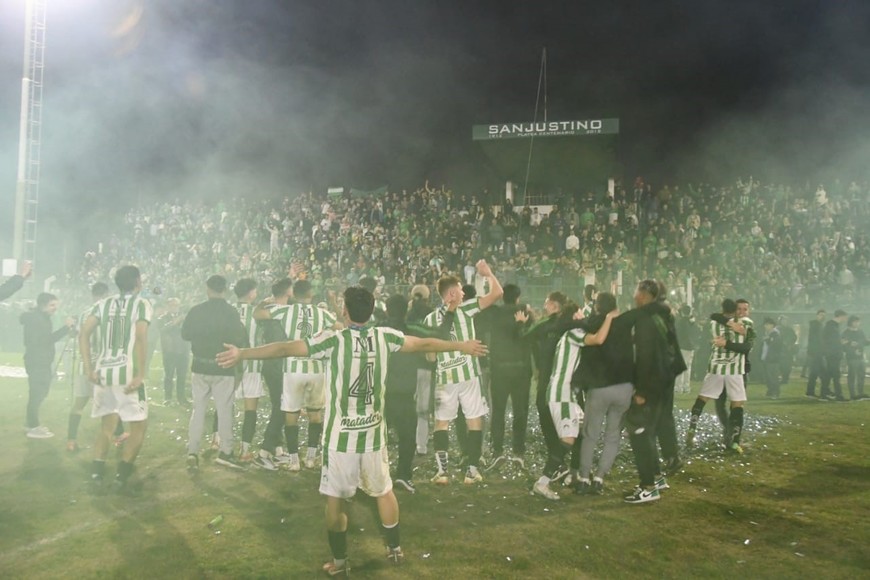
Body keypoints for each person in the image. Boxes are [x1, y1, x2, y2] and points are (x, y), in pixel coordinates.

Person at [216, 286, 488, 575]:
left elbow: (284, 348)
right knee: (383, 491)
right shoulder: (384, 336)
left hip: (340, 439)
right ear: (371, 310)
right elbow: (422, 344)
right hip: (372, 434)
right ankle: (394, 549)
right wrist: (461, 346)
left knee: (336, 498)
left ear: (345, 310)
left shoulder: (333, 340)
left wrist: (242, 353)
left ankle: (341, 562)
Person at [424, 260, 503, 486]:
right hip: (468, 377)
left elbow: (429, 355)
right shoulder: (466, 308)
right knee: (473, 421)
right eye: (459, 288)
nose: (463, 291)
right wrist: (488, 274)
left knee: (441, 423)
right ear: (452, 293)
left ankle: (442, 472)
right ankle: (471, 471)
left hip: (444, 379)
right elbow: (497, 293)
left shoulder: (430, 318)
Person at [531, 303, 617, 500]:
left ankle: (572, 473)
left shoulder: (570, 335)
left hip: (565, 394)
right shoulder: (573, 333)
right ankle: (543, 482)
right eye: (579, 312)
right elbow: (598, 339)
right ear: (573, 316)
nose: (583, 314)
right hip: (560, 394)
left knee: (581, 432)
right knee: (567, 440)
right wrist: (609, 318)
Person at [80, 265, 152, 494]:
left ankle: (96, 473)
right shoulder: (142, 304)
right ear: (138, 282)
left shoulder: (103, 304)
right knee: (138, 426)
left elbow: (84, 333)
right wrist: (140, 374)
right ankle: (121, 476)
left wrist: (89, 368)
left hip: (103, 374)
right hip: (127, 375)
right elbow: (140, 336)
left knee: (107, 426)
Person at [255, 278, 339, 471]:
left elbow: (258, 315)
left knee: (291, 413)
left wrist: (261, 303)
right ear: (311, 294)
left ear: (295, 294)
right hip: (316, 368)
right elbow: (341, 326)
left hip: (293, 368)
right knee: (315, 414)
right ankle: (311, 458)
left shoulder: (286, 310)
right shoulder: (322, 312)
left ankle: (293, 460)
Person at [624, 280, 684, 505]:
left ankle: (648, 486)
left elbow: (646, 357)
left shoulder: (645, 320)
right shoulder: (663, 314)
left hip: (652, 383)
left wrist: (642, 390)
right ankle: (658, 477)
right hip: (665, 380)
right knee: (653, 426)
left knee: (640, 430)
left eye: (636, 290)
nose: (633, 295)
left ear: (643, 294)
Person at [182, 275, 249, 470]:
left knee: (198, 410)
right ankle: (226, 452)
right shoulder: (231, 312)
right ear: (225, 289)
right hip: (223, 366)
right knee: (225, 410)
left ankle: (192, 452)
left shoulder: (197, 310)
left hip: (200, 366)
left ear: (207, 289)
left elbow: (185, 334)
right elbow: (238, 337)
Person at [574, 292, 635, 495]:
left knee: (590, 434)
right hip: (624, 386)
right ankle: (599, 477)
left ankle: (583, 477)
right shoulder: (625, 325)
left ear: (598, 306)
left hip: (599, 386)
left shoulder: (594, 322)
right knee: (612, 436)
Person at [477, 283, 532, 468]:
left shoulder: (495, 313)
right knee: (520, 412)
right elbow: (530, 336)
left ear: (503, 297)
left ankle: (498, 451)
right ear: (518, 296)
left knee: (498, 411)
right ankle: (518, 452)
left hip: (499, 369)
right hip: (521, 370)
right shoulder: (525, 311)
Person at [686, 299, 751, 455]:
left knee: (703, 399)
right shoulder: (746, 323)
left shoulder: (713, 323)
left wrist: (722, 341)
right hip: (734, 370)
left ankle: (692, 427)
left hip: (716, 368)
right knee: (737, 404)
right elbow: (746, 345)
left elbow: (712, 317)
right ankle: (734, 441)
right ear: (735, 310)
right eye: (739, 309)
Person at [21, 292, 76, 438]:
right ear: (43, 305)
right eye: (52, 305)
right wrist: (66, 328)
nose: (55, 309)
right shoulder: (37, 319)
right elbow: (46, 340)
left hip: (40, 361)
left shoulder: (41, 318)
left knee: (40, 392)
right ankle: (32, 426)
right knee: (37, 393)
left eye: (55, 305)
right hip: (37, 361)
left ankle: (31, 423)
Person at [232, 278, 274, 468]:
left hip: (230, 363)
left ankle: (218, 442)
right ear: (250, 293)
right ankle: (245, 450)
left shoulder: (229, 309)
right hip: (252, 365)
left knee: (226, 403)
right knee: (250, 409)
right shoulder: (258, 313)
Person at [66, 282, 109, 451]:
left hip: (84, 366)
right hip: (101, 366)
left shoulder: (84, 314)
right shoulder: (107, 314)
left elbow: (75, 334)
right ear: (106, 295)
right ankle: (116, 436)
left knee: (79, 403)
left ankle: (71, 440)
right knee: (109, 403)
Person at [406, 285, 434, 456]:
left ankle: (410, 438)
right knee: (424, 407)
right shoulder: (431, 314)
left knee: (410, 404)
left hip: (409, 364)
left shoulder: (407, 315)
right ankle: (421, 444)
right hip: (426, 364)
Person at [159, 297, 190, 406]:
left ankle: (181, 398)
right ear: (167, 306)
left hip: (183, 350)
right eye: (172, 305)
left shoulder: (185, 318)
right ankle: (168, 398)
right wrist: (176, 321)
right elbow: (163, 329)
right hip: (170, 351)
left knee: (182, 376)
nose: (174, 307)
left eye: (176, 305)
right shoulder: (163, 318)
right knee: (169, 375)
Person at [820, 309, 848, 402]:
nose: (845, 318)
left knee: (829, 374)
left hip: (833, 354)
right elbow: (830, 341)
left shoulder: (833, 326)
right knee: (836, 375)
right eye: (845, 316)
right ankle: (838, 395)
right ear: (840, 316)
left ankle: (824, 394)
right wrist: (841, 343)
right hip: (832, 354)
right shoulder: (831, 326)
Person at [675, 304, 699, 394]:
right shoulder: (691, 322)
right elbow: (695, 332)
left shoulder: (680, 322)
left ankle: (678, 387)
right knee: (688, 367)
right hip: (690, 347)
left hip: (682, 346)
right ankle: (686, 386)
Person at [842, 315, 867, 401]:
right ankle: (852, 394)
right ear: (851, 322)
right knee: (852, 376)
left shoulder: (860, 332)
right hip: (851, 358)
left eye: (858, 321)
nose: (857, 323)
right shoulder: (846, 332)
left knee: (861, 375)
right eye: (855, 321)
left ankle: (860, 393)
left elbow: (864, 341)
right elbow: (844, 345)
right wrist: (853, 351)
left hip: (860, 357)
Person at [805, 310, 826, 398]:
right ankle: (810, 392)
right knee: (815, 373)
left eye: (824, 315)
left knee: (821, 373)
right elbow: (815, 340)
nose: (822, 317)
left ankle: (823, 391)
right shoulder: (815, 325)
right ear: (817, 315)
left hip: (818, 353)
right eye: (821, 315)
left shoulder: (819, 326)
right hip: (815, 353)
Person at [761, 318, 783, 399]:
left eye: (767, 324)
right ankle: (770, 391)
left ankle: (775, 393)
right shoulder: (768, 333)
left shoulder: (775, 334)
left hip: (773, 359)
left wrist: (768, 340)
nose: (765, 326)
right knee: (768, 377)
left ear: (772, 325)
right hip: (767, 357)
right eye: (765, 324)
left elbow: (775, 345)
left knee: (773, 376)